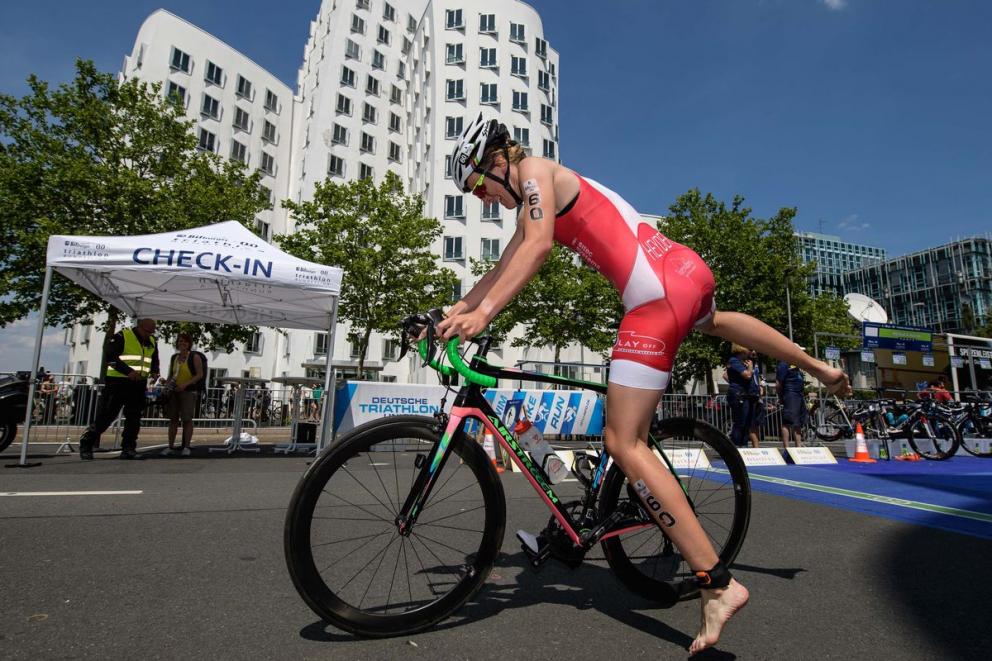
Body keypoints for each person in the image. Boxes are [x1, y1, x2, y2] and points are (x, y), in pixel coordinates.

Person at [436, 113, 851, 656]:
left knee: (622, 441)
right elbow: (505, 265)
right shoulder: (538, 195)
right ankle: (821, 368)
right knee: (716, 320)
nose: (480, 199)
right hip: (683, 273)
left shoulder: (534, 169)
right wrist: (449, 311)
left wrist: (483, 315)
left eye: (474, 186)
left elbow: (536, 249)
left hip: (654, 298)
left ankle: (717, 583)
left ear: (493, 161)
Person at [78, 318, 159, 460]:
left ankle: (128, 448)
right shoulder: (123, 336)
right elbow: (111, 357)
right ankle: (87, 442)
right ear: (140, 327)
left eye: (152, 332)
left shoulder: (152, 341)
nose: (149, 334)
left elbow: (154, 359)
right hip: (118, 382)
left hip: (138, 383)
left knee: (134, 417)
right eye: (148, 331)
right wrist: (128, 371)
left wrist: (154, 371)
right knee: (108, 415)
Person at [161, 333, 205, 457]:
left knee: (187, 419)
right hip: (174, 390)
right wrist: (166, 387)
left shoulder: (194, 357)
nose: (182, 344)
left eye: (185, 342)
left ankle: (186, 446)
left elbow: (199, 374)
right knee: (173, 419)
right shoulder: (174, 357)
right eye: (180, 341)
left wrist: (185, 384)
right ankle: (170, 446)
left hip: (188, 391)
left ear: (189, 344)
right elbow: (171, 374)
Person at [726, 345, 759, 448]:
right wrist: (750, 367)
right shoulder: (734, 361)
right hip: (738, 395)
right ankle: (736, 445)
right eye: (749, 349)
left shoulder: (742, 362)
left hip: (746, 394)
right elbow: (747, 375)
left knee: (746, 423)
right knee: (740, 421)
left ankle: (743, 445)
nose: (751, 351)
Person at [776, 354, 808, 448]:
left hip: (799, 395)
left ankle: (798, 446)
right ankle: (786, 448)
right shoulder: (784, 363)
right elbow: (778, 383)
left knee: (797, 422)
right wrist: (781, 397)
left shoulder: (797, 365)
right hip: (790, 394)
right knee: (788, 421)